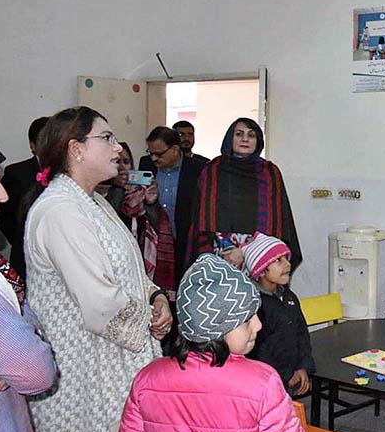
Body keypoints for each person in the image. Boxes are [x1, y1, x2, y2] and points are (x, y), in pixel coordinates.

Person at [24, 106, 172, 432]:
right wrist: (150, 323)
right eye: (106, 138)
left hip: (114, 366)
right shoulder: (61, 210)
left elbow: (129, 271)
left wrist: (156, 297)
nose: (118, 148)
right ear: (76, 149)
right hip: (87, 380)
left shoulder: (93, 201)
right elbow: (100, 303)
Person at [116, 252, 310, 432]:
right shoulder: (263, 383)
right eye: (246, 319)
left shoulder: (146, 380)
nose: (257, 325)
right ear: (216, 328)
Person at [0, 135, 56, 432]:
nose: (3, 194)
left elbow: (28, 317)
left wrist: (16, 344)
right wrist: (20, 348)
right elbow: (35, 370)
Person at [188, 117, 302, 272]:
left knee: (259, 296)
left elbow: (277, 223)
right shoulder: (213, 170)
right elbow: (202, 218)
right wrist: (224, 250)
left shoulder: (269, 172)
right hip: (218, 255)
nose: (245, 139)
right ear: (230, 138)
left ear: (258, 141)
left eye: (251, 135)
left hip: (261, 254)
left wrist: (246, 250)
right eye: (239, 134)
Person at [242, 232, 315, 396]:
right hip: (264, 380)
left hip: (290, 372)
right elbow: (260, 349)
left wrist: (302, 366)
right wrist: (285, 374)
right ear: (261, 271)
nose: (287, 265)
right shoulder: (254, 304)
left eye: (287, 259)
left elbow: (301, 332)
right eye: (278, 261)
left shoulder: (289, 297)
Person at [100, 142, 175, 297]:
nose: (122, 167)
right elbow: (106, 218)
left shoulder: (141, 191)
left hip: (141, 262)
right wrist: (118, 188)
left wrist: (151, 202)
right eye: (117, 162)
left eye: (126, 162)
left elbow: (158, 228)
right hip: (112, 266)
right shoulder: (98, 191)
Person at [138, 126, 206, 288]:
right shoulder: (145, 165)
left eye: (158, 154)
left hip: (186, 243)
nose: (154, 158)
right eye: (150, 152)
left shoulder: (198, 168)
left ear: (175, 150)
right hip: (154, 244)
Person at [0, 116, 49, 281]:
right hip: (24, 259)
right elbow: (4, 216)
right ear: (32, 145)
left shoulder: (66, 172)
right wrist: (22, 240)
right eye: (43, 140)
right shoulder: (16, 172)